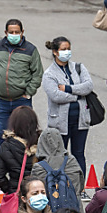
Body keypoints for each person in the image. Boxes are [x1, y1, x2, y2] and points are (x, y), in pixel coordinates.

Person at [0, 18, 42, 139]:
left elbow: (37, 74)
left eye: (17, 32)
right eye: (11, 32)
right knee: (2, 134)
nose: (14, 35)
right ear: (5, 32)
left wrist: (28, 92)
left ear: (22, 32)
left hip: (21, 100)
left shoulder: (30, 50)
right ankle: (2, 157)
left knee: (24, 134)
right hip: (3, 101)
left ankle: (24, 158)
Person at [40, 36, 93, 171]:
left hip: (80, 120)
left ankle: (79, 188)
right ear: (55, 52)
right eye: (63, 49)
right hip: (59, 123)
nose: (67, 52)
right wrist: (78, 96)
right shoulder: (49, 74)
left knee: (79, 154)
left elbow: (88, 86)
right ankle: (60, 187)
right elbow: (56, 96)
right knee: (59, 157)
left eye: (69, 49)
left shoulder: (79, 67)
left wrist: (68, 88)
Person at [0, 105, 40, 195]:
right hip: (38, 194)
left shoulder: (6, 146)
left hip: (16, 193)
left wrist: (9, 189)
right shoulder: (41, 144)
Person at [32, 128, 84, 207]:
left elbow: (34, 193)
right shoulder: (71, 161)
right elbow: (80, 186)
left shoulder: (38, 168)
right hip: (74, 212)